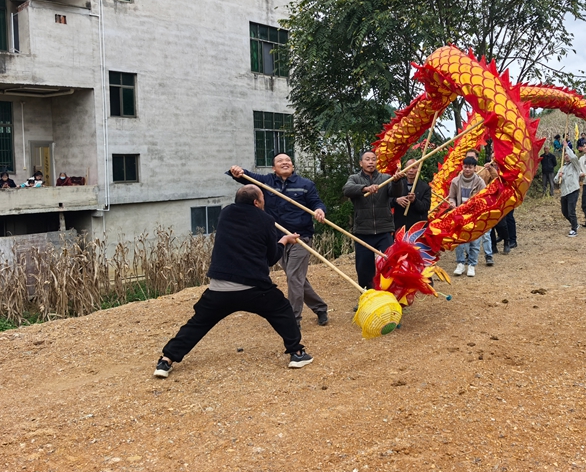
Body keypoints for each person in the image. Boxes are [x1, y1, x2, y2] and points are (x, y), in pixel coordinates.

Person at [153, 184, 313, 378]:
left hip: (219, 288)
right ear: (256, 202)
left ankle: (166, 360)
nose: (264, 202)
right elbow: (271, 259)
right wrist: (284, 240)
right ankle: (297, 353)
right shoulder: (266, 220)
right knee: (282, 310)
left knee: (198, 323)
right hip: (254, 288)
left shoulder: (226, 214)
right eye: (262, 199)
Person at [229, 155, 329, 327]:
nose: (285, 163)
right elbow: (246, 178)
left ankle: (293, 319)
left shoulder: (306, 185)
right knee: (296, 278)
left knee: (293, 277)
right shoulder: (266, 182)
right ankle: (320, 308)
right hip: (278, 238)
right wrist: (237, 172)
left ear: (293, 166)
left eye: (288, 161)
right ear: (273, 168)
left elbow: (316, 203)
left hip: (300, 237)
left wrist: (319, 210)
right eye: (280, 161)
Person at [343, 151, 406, 289]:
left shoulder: (385, 178)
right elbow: (347, 189)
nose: (371, 162)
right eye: (367, 159)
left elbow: (396, 193)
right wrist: (365, 188)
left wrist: (396, 182)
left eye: (373, 159)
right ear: (361, 163)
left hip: (384, 229)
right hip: (363, 231)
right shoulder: (354, 178)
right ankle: (368, 295)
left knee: (389, 263)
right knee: (364, 267)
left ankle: (389, 293)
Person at [448, 156, 486, 276]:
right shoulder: (455, 181)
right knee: (459, 240)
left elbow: (484, 199)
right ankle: (460, 264)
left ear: (475, 168)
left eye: (470, 167)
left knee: (474, 241)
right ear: (462, 167)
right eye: (465, 167)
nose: (467, 169)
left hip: (474, 216)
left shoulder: (480, 182)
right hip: (459, 215)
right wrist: (452, 203)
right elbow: (451, 197)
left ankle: (471, 265)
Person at [391, 158, 432, 232]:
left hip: (417, 229)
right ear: (405, 169)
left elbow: (425, 207)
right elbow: (388, 202)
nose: (411, 170)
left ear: (418, 169)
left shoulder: (425, 187)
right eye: (409, 167)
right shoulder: (397, 184)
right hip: (400, 227)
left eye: (414, 168)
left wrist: (415, 201)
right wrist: (396, 200)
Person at [554, 141, 581, 237]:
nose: (566, 156)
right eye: (565, 154)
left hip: (573, 190)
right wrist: (559, 176)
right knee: (564, 211)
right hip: (564, 192)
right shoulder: (562, 167)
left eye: (567, 154)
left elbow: (573, 157)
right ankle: (576, 224)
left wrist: (567, 148)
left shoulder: (575, 165)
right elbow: (556, 180)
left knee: (571, 210)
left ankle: (574, 229)